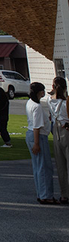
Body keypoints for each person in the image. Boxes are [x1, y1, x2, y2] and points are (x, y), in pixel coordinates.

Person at [26, 81, 56, 204]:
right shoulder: (37, 107)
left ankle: (41, 193)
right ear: (39, 92)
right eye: (42, 90)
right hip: (38, 136)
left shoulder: (30, 102)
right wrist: (37, 143)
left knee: (38, 166)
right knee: (44, 167)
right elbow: (37, 126)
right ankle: (45, 195)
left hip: (31, 135)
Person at [50, 76, 69, 205]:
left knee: (61, 164)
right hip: (66, 130)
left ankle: (64, 194)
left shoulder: (49, 101)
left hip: (55, 130)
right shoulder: (66, 101)